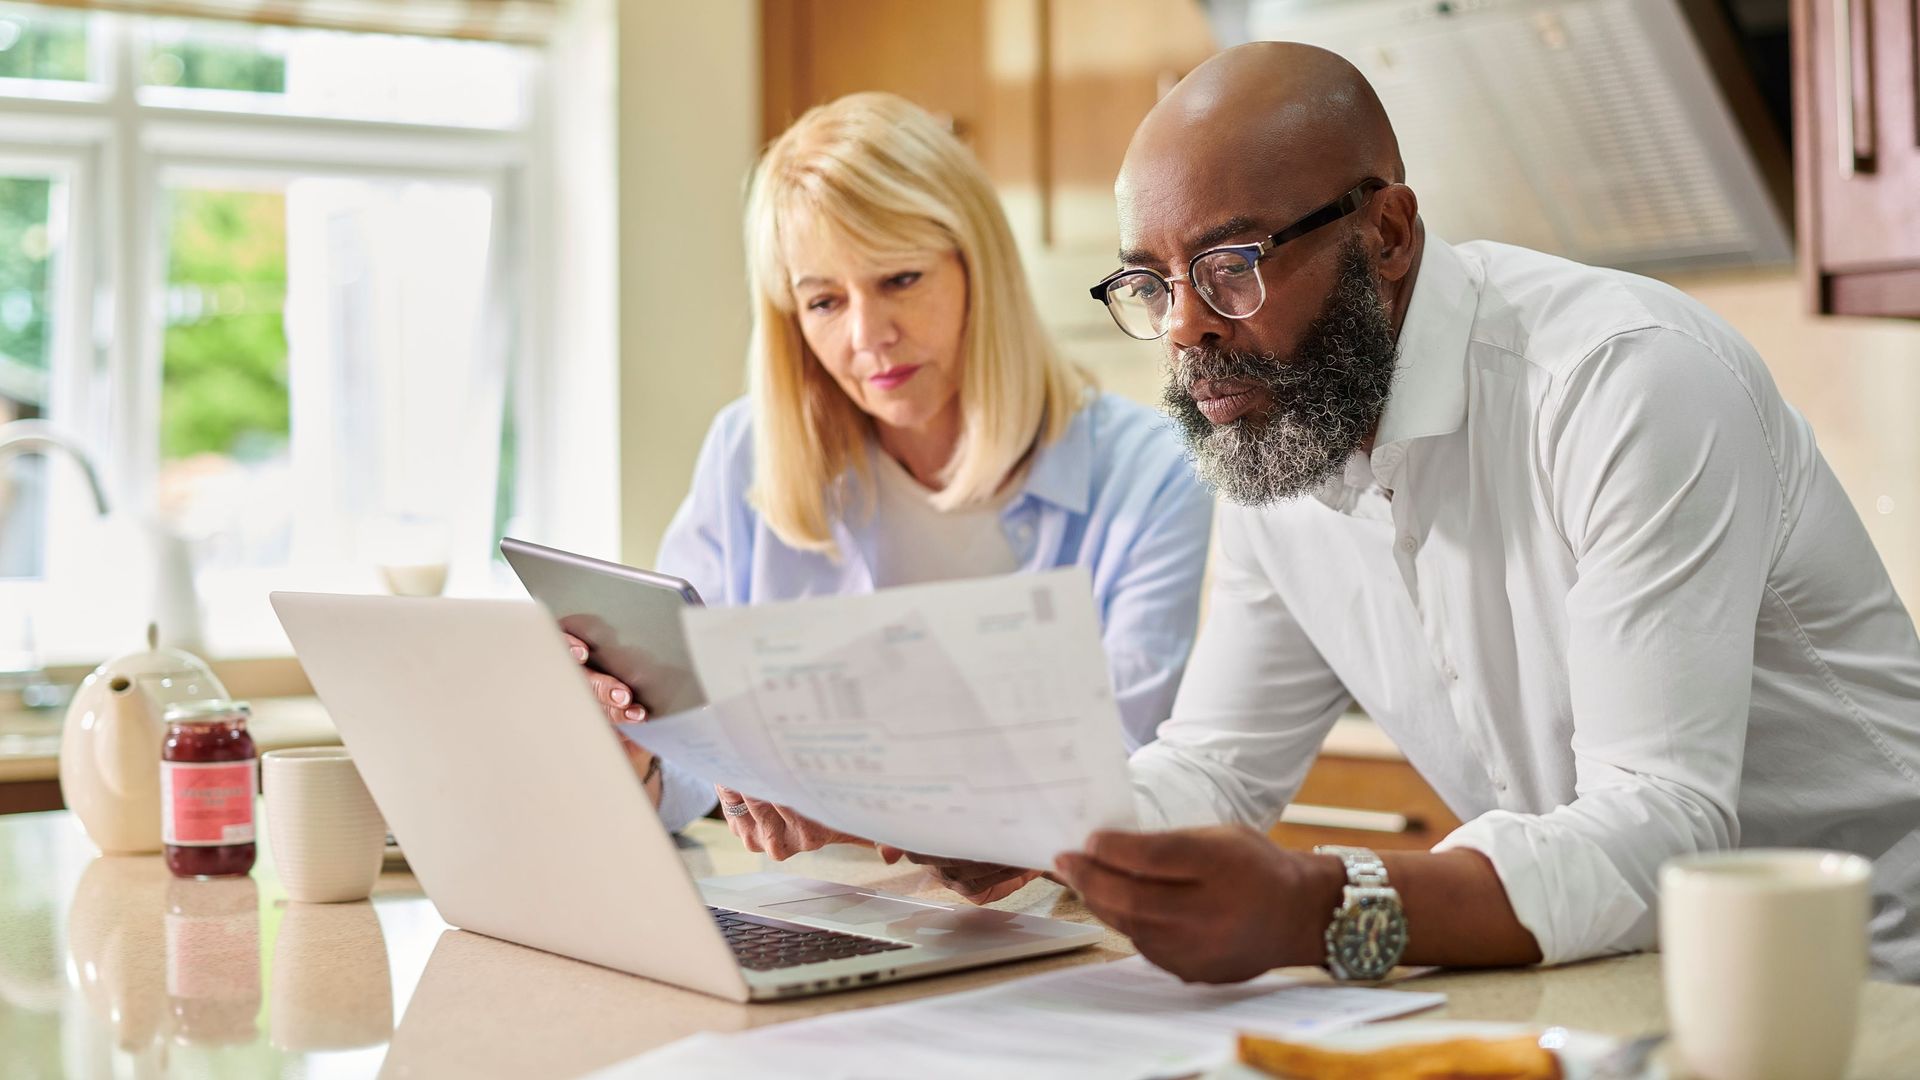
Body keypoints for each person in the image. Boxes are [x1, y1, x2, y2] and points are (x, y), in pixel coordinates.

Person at [1008, 42, 1920, 984]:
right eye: (1150, 284)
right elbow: (1216, 770)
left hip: (1879, 974)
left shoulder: (1621, 381)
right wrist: (1024, 829)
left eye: (1229, 265)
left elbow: (1661, 824)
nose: (1184, 327)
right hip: (1625, 977)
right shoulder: (1281, 434)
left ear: (1389, 234)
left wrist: (1315, 909)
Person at [570, 92, 1213, 876]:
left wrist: (838, 800)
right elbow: (699, 760)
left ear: (978, 267)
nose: (867, 336)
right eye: (824, 301)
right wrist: (633, 744)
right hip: (814, 913)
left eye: (901, 279)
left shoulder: (1150, 471)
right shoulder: (748, 451)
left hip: (1046, 930)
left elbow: (1119, 776)